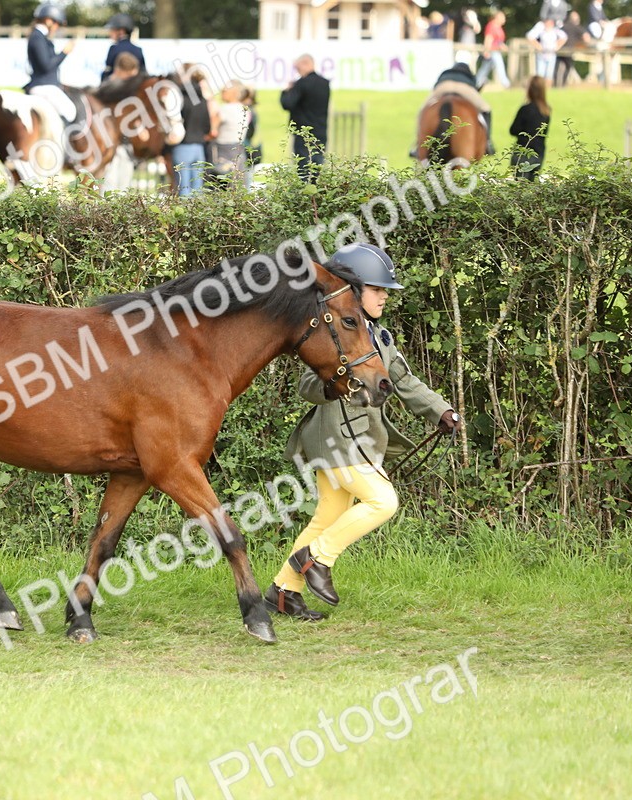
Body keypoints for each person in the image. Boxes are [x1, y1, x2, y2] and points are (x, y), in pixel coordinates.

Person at [265, 243, 461, 621]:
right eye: (378, 289)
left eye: (385, 290)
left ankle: (283, 592)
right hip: (337, 441)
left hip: (361, 442)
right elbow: (307, 384)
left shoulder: (379, 338)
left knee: (326, 518)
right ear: (353, 293)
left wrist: (441, 410)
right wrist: (332, 385)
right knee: (383, 502)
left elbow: (405, 382)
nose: (385, 296)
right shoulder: (333, 332)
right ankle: (317, 558)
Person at [24, 3, 79, 129]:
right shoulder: (37, 37)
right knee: (70, 111)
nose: (57, 27)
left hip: (47, 85)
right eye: (57, 24)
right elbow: (46, 66)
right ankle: (62, 145)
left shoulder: (40, 36)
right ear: (48, 20)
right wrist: (65, 52)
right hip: (43, 86)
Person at [424, 61, 494, 155]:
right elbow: (475, 89)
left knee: (423, 110)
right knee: (486, 108)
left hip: (443, 86)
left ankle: (417, 144)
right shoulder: (469, 75)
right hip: (464, 88)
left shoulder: (446, 72)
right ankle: (487, 142)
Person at [280, 53, 329, 183]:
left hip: (303, 132)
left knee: (303, 167)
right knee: (317, 165)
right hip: (320, 130)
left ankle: (306, 194)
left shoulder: (301, 84)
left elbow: (287, 104)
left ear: (305, 64)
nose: (297, 71)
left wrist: (286, 91)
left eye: (298, 68)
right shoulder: (325, 83)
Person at [170, 64, 212, 196]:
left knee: (184, 188)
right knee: (198, 189)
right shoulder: (202, 99)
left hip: (183, 145)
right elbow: (207, 125)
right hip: (199, 146)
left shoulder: (180, 99)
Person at [207, 80, 250, 188]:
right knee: (237, 186)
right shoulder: (244, 109)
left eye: (224, 90)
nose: (222, 92)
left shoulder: (224, 109)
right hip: (238, 150)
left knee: (217, 187)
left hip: (221, 152)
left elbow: (213, 131)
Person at [509, 76, 551, 180]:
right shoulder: (546, 111)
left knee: (520, 186)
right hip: (539, 153)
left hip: (523, 152)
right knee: (532, 185)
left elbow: (513, 130)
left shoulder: (525, 109)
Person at [100, 13, 144, 83]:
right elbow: (143, 73)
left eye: (112, 30)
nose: (110, 33)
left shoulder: (114, 48)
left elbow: (107, 75)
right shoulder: (138, 50)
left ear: (121, 31)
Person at [475, 10, 510, 89]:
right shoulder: (491, 26)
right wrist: (486, 51)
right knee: (499, 65)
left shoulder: (499, 27)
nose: (504, 19)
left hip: (496, 50)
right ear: (498, 17)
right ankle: (505, 83)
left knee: (485, 68)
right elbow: (488, 39)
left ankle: (477, 81)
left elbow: (499, 41)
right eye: (503, 17)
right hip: (492, 51)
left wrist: (503, 46)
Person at [556, 10, 588, 87]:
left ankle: (555, 85)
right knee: (567, 68)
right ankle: (563, 84)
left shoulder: (563, 27)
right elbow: (586, 38)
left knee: (556, 68)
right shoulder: (577, 27)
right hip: (569, 51)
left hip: (559, 50)